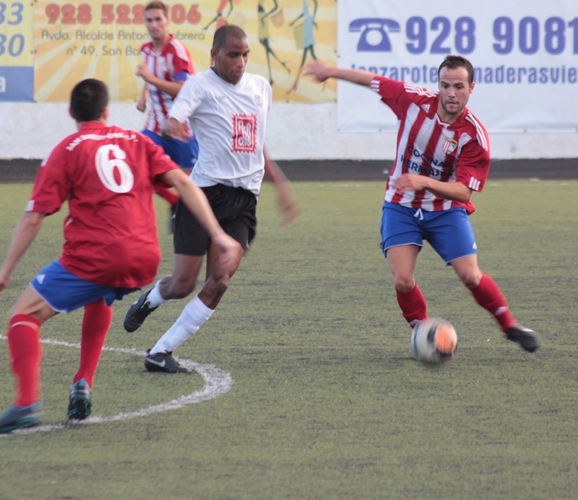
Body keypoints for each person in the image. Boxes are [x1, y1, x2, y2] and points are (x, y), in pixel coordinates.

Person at [0, 78, 240, 433]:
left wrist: (4, 274)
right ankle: (83, 382)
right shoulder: (137, 141)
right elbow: (182, 183)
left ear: (71, 113)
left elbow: (33, 217)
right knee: (99, 293)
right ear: (106, 111)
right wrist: (218, 235)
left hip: (95, 257)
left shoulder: (66, 149)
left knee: (23, 316)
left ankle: (26, 403)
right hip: (143, 259)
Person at [302, 56, 542, 353]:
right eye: (445, 85)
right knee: (403, 280)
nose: (451, 93)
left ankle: (509, 326)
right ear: (438, 85)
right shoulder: (413, 101)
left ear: (471, 88)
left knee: (470, 275)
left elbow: (463, 192)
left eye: (458, 86)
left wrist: (423, 181)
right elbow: (371, 80)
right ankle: (424, 334)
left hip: (445, 210)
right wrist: (330, 71)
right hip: (400, 206)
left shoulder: (473, 135)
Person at [123, 25, 300, 373]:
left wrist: (280, 184)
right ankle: (151, 299)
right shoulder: (199, 85)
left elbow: (255, 140)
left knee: (219, 282)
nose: (240, 62)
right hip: (202, 196)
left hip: (243, 202)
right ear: (215, 55)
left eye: (245, 54)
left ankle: (160, 352)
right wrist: (173, 127)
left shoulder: (260, 88)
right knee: (182, 285)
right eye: (233, 55)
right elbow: (173, 120)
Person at [136, 1, 199, 231]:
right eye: (149, 20)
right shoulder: (146, 50)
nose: (153, 24)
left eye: (158, 19)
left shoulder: (176, 51)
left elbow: (184, 88)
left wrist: (150, 80)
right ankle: (174, 202)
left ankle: (195, 216)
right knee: (138, 166)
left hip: (181, 128)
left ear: (167, 21)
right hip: (154, 127)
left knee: (189, 181)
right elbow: (151, 77)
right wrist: (144, 96)